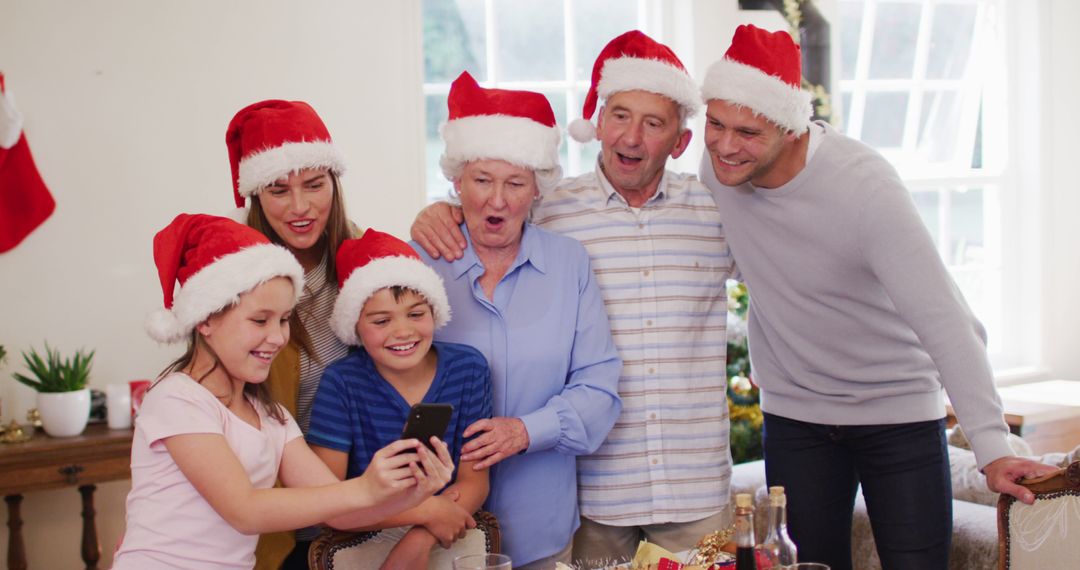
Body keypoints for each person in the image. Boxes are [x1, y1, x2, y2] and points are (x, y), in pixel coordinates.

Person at [696, 24, 1057, 570]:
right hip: (796, 417)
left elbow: (946, 320)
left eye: (746, 132)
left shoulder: (865, 188)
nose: (724, 145)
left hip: (897, 413)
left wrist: (992, 446)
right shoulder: (719, 173)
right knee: (802, 565)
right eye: (715, 124)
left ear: (791, 129)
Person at [412, 31, 736, 565]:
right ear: (598, 122)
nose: (631, 138)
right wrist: (436, 212)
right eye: (619, 116)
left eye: (653, 124)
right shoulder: (551, 209)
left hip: (694, 485)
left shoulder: (718, 213)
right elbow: (489, 201)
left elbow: (790, 274)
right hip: (594, 493)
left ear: (680, 141)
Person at [113, 214, 454, 570]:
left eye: (284, 319)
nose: (277, 337)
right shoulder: (177, 399)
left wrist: (413, 491)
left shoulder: (269, 415)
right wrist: (367, 488)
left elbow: (338, 511)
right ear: (206, 318)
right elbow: (244, 510)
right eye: (260, 320)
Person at [410, 70, 623, 568]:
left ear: (538, 190)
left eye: (515, 183)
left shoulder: (569, 263)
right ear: (456, 183)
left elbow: (599, 386)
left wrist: (526, 431)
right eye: (482, 180)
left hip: (540, 525)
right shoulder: (416, 263)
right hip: (432, 528)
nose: (497, 200)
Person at [305, 228, 493, 568]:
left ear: (435, 312)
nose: (403, 332)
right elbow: (326, 501)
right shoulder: (342, 382)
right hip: (364, 538)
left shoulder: (469, 369)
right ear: (355, 327)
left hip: (446, 530)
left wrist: (420, 537)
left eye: (416, 314)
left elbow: (474, 480)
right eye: (381, 320)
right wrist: (425, 511)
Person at [225, 99, 360, 568]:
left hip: (374, 519)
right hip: (284, 533)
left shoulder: (366, 269)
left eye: (315, 185)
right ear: (256, 197)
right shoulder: (232, 290)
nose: (300, 207)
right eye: (279, 190)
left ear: (334, 185)